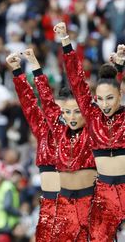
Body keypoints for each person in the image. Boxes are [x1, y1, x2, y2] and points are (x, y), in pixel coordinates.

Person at [54, 22, 125, 241]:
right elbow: (76, 80)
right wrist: (66, 41)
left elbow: (115, 87)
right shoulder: (93, 116)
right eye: (100, 99)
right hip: (103, 192)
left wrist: (119, 69)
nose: (104, 103)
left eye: (110, 98)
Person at [32, 43, 96, 240]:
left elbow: (78, 82)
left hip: (91, 203)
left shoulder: (93, 129)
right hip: (64, 204)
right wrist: (34, 68)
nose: (71, 116)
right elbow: (45, 101)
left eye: (77, 111)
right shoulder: (59, 130)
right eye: (66, 112)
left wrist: (66, 45)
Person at [5, 50, 60, 241]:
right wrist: (18, 72)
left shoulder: (78, 136)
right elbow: (31, 103)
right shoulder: (43, 133)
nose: (62, 115)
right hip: (47, 208)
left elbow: (49, 103)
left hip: (72, 206)